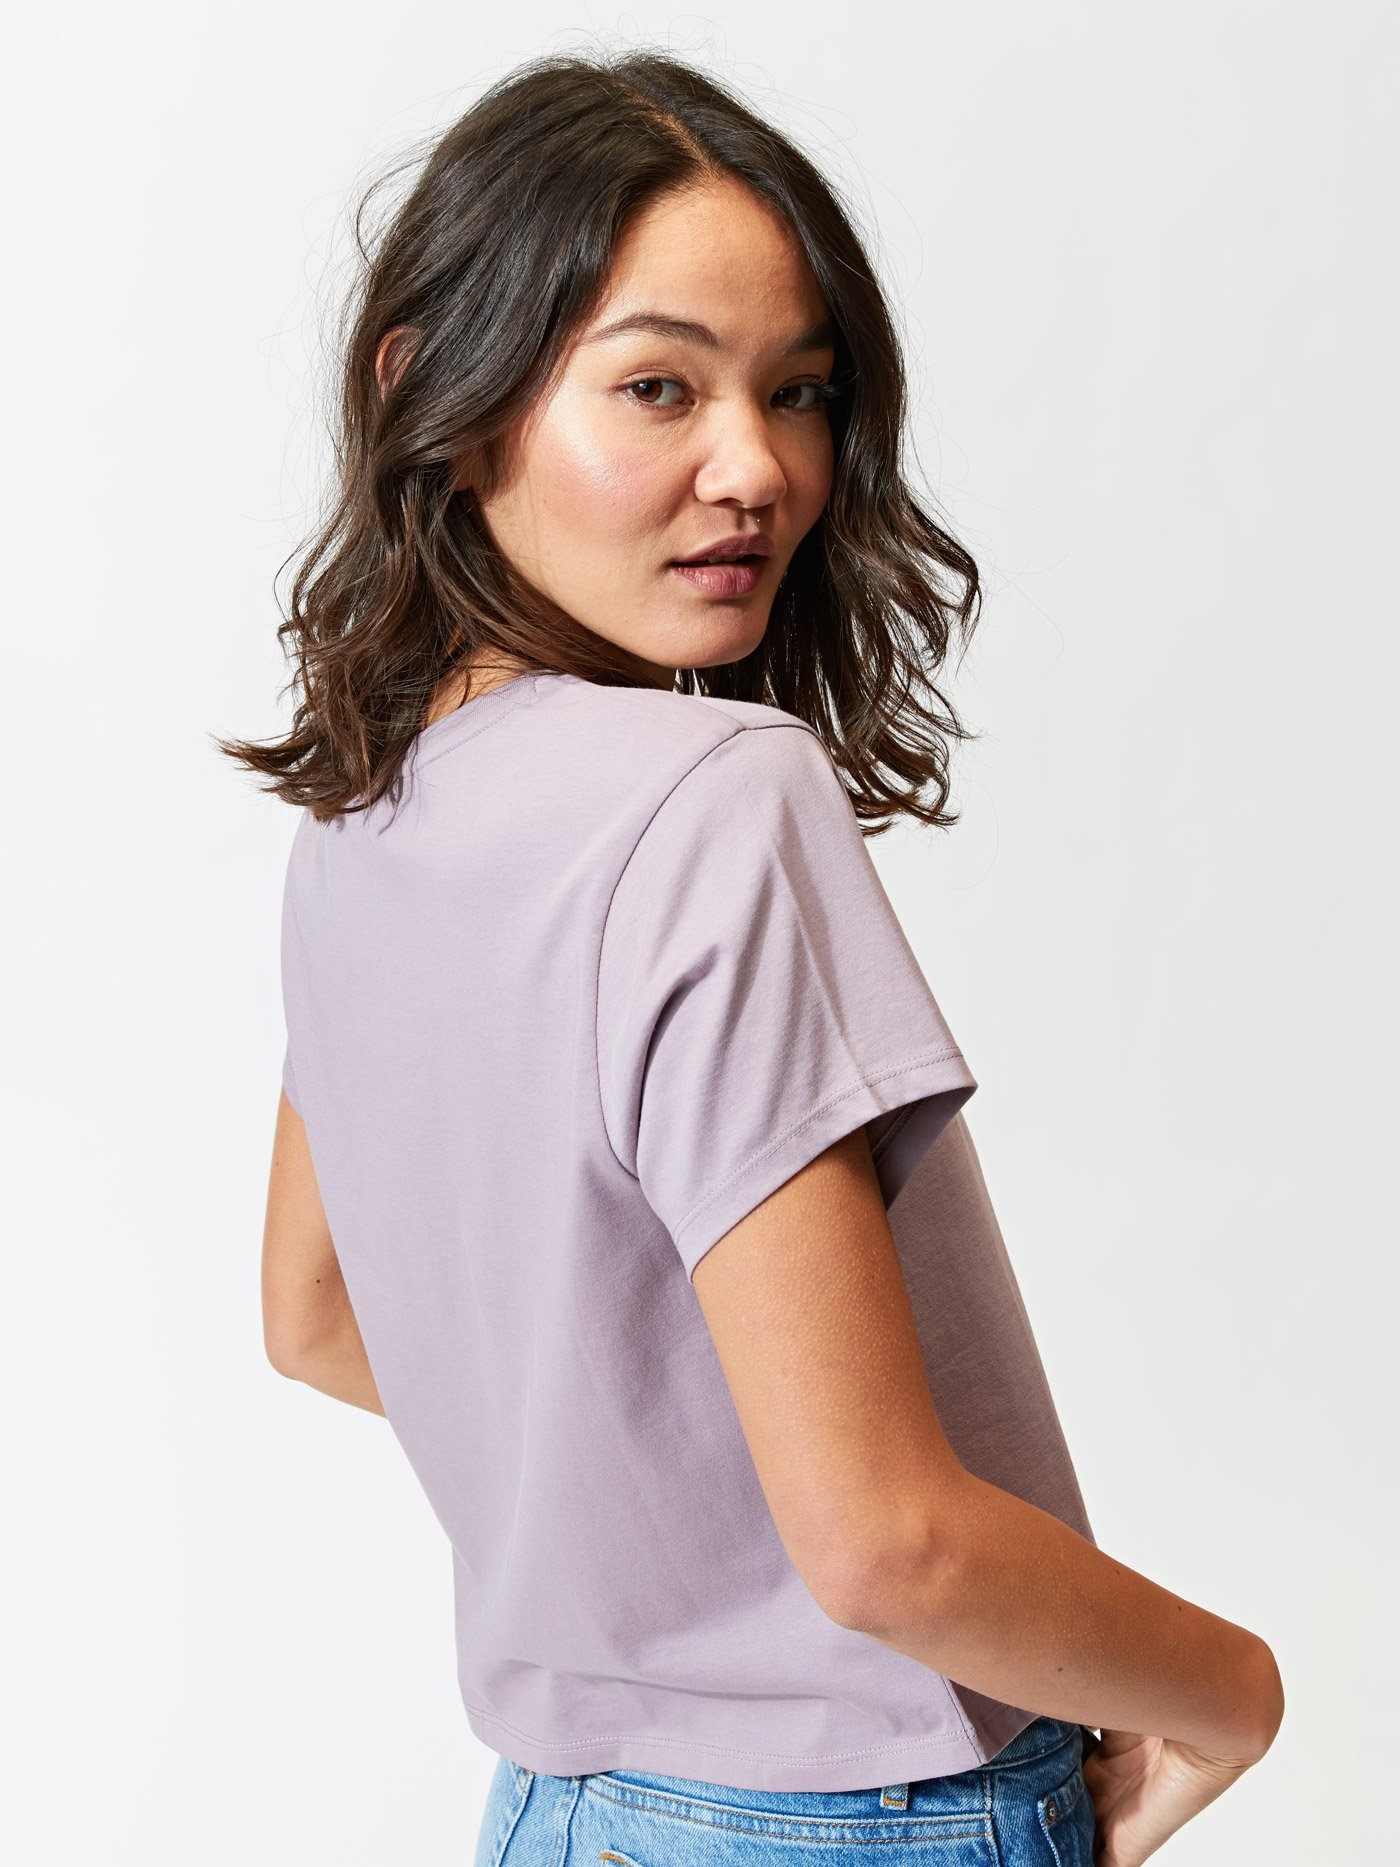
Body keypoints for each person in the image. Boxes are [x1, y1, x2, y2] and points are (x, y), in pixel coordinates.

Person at [223, 48, 1284, 1867]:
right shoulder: (718, 795)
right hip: (859, 1814)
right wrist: (1233, 1692)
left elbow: (315, 1317)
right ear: (437, 395)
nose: (760, 470)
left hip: (557, 1813)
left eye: (798, 393)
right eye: (660, 386)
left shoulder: (363, 819)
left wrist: (663, 1520)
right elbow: (888, 1545)